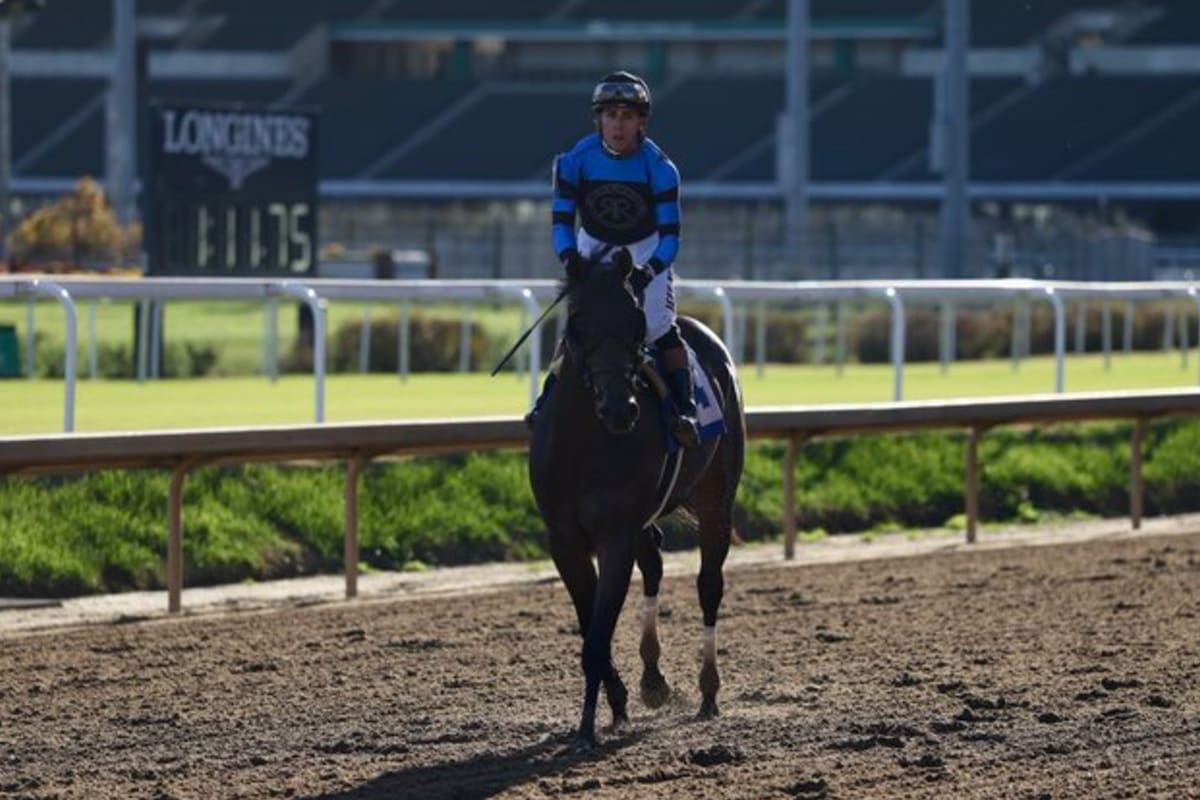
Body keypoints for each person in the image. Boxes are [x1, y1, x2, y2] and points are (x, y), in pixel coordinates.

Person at [525, 70, 700, 447]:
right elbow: (560, 225)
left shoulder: (662, 169)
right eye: (610, 116)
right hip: (593, 245)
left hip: (646, 248)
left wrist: (646, 272)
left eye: (627, 116)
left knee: (655, 326)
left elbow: (671, 240)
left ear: (642, 123)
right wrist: (569, 256)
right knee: (581, 324)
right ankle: (546, 401)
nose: (618, 125)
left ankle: (684, 409)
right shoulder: (575, 161)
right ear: (598, 120)